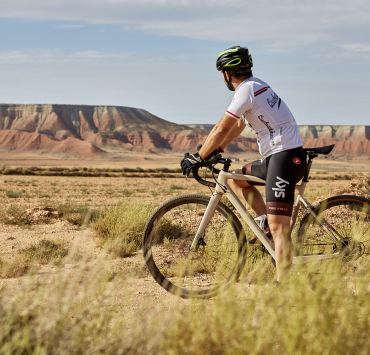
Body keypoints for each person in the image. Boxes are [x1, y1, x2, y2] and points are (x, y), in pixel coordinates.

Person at [180, 46, 307, 281]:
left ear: (227, 74)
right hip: (278, 157)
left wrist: (200, 156)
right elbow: (238, 126)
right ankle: (265, 225)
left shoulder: (246, 90)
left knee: (281, 229)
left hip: (285, 158)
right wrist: (216, 148)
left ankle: (285, 289)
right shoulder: (256, 85)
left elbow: (222, 127)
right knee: (237, 180)